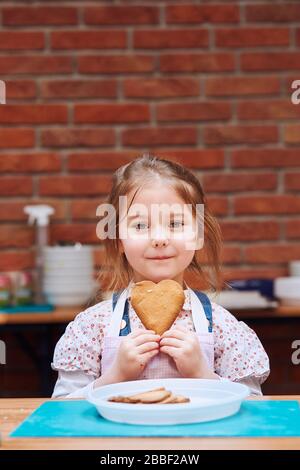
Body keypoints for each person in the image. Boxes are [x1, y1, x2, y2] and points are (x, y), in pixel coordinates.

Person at [51, 153, 270, 398]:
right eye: (140, 225)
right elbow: (62, 409)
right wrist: (116, 376)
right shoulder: (92, 327)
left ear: (198, 235)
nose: (159, 239)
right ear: (118, 239)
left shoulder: (223, 327)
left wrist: (203, 374)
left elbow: (253, 407)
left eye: (175, 224)